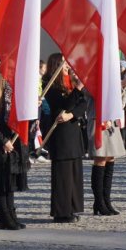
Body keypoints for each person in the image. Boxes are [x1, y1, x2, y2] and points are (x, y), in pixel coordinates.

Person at [43, 54, 86, 223]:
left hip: (73, 131)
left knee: (74, 173)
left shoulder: (70, 83)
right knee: (63, 175)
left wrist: (71, 115)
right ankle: (61, 211)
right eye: (64, 62)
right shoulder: (51, 85)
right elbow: (64, 104)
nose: (68, 65)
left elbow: (82, 104)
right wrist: (77, 91)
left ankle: (72, 207)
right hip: (61, 136)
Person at [0, 72, 29, 230]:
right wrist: (3, 140)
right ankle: (4, 216)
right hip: (2, 140)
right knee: (2, 180)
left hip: (14, 138)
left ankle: (11, 214)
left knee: (10, 180)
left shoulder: (11, 89)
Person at [86, 87, 126, 216]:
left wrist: (122, 87)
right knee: (101, 159)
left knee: (110, 158)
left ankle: (106, 200)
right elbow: (91, 94)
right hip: (98, 120)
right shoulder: (92, 78)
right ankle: (99, 202)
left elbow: (121, 104)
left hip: (112, 121)